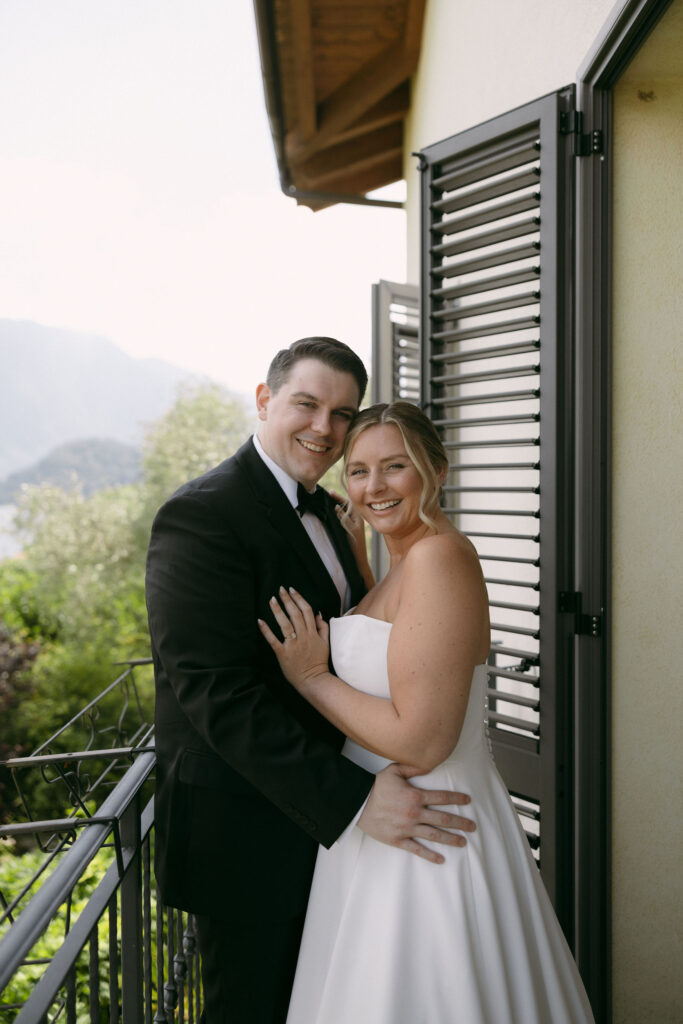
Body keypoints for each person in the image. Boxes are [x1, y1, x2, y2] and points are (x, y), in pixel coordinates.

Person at [145, 341, 477, 1024]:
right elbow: (214, 694)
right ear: (265, 401)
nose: (323, 427)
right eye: (306, 403)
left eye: (341, 413)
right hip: (250, 836)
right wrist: (353, 801)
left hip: (344, 832)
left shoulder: (332, 513)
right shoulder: (202, 515)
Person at [259, 400, 596, 1024]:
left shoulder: (442, 557)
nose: (373, 487)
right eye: (357, 471)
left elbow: (422, 739)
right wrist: (362, 566)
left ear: (437, 470)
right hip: (379, 825)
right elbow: (397, 647)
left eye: (395, 467)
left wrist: (310, 677)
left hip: (427, 829)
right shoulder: (406, 562)